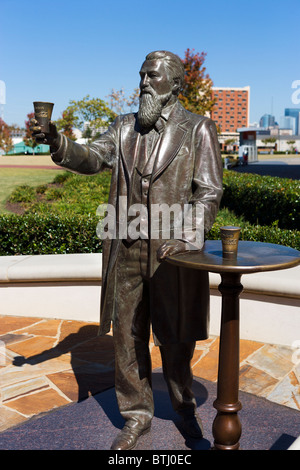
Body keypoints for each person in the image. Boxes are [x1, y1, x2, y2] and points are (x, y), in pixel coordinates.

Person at [30, 50, 223, 450]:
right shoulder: (122, 128)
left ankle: (184, 406)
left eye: (152, 76)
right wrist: (57, 142)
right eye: (141, 76)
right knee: (127, 338)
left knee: (175, 338)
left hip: (174, 255)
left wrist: (188, 236)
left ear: (173, 83)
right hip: (127, 249)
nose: (144, 83)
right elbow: (92, 157)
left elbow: (208, 191)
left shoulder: (198, 128)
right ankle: (136, 415)